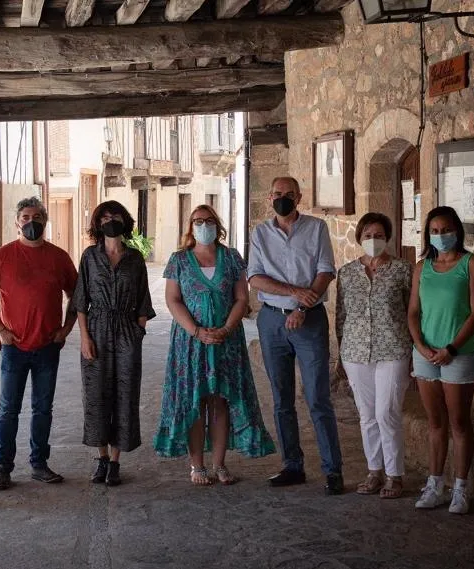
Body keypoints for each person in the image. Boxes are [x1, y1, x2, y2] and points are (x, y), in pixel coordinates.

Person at [154, 205, 275, 485]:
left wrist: (226, 329)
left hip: (226, 341)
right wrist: (196, 331)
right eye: (198, 221)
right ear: (190, 227)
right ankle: (197, 466)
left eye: (208, 220)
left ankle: (219, 464)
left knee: (220, 402)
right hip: (190, 342)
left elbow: (241, 299)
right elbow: (173, 300)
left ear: (217, 225)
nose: (203, 225)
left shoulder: (231, 258)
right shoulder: (180, 260)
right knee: (196, 403)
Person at [248, 176, 344, 495]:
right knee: (281, 399)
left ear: (299, 197)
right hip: (273, 321)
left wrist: (305, 304)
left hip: (310, 320)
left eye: (288, 194)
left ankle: (333, 470)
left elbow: (326, 270)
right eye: (277, 194)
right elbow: (256, 278)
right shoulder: (260, 233)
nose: (282, 199)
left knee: (318, 398)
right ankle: (292, 465)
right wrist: (293, 294)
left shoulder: (316, 229)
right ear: (269, 197)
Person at [0, 197, 78, 490]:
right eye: (25, 216)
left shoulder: (59, 258)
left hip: (48, 345)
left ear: (45, 221)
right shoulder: (1, 256)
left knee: (42, 408)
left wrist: (66, 329)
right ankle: (3, 467)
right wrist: (0, 330)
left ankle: (39, 464)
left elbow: (76, 296)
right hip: (14, 347)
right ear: (16, 222)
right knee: (8, 409)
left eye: (36, 216)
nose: (30, 221)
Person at [408, 206, 474, 514]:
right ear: (429, 234)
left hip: (458, 354)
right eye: (435, 231)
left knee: (459, 422)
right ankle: (435, 484)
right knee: (435, 422)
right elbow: (414, 312)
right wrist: (420, 345)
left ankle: (461, 488)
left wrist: (451, 348)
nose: (441, 236)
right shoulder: (421, 267)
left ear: (457, 230)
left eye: (446, 230)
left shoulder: (472, 263)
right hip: (426, 354)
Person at [73, 201, 155, 486]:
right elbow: (81, 301)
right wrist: (84, 337)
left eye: (115, 216)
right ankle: (102, 458)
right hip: (96, 329)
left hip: (126, 329)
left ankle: (117, 461)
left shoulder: (135, 259)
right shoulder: (89, 257)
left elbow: (144, 301)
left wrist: (138, 331)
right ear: (98, 224)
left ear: (124, 221)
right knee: (96, 395)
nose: (110, 220)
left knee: (125, 394)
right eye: (104, 217)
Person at [336, 213, 413, 499]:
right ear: (359, 238)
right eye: (368, 235)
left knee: (387, 413)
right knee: (367, 416)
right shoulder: (346, 273)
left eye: (379, 235)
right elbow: (341, 316)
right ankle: (374, 471)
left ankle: (395, 475)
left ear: (388, 238)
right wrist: (340, 355)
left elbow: (412, 312)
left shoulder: (403, 270)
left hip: (394, 349)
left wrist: (416, 350)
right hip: (355, 352)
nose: (373, 240)